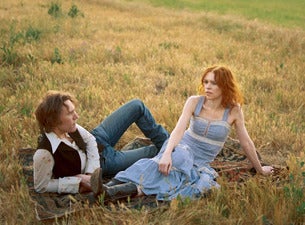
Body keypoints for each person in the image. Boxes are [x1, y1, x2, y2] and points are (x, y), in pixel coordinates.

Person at [93, 65, 274, 202]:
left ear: (225, 86)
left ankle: (110, 191)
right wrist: (166, 154)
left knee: (182, 182)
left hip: (201, 161)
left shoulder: (234, 110)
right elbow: (179, 129)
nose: (208, 87)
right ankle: (109, 188)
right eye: (206, 82)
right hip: (181, 147)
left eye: (214, 83)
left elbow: (246, 143)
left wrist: (260, 169)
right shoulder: (195, 101)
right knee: (171, 162)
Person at [33, 91, 169, 194]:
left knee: (137, 105)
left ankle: (172, 143)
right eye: (70, 114)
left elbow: (90, 139)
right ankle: (171, 149)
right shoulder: (45, 153)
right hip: (106, 160)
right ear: (55, 121)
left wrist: (91, 173)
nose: (76, 116)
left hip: (99, 138)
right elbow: (41, 186)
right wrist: (77, 181)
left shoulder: (69, 126)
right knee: (155, 152)